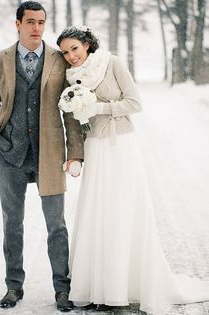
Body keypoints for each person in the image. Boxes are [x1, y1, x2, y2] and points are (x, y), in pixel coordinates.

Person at [56, 26, 209, 315]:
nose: (71, 56)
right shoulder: (70, 78)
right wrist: (75, 152)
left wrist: (98, 108)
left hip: (120, 145)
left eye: (74, 48)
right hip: (95, 147)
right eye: (65, 52)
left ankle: (123, 287)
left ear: (87, 44)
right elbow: (75, 122)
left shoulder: (112, 63)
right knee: (97, 212)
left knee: (123, 211)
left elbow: (135, 103)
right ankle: (96, 286)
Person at [0, 2, 84, 312]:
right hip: (9, 154)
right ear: (18, 24)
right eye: (30, 22)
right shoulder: (0, 60)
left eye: (41, 22)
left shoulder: (59, 59)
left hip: (49, 154)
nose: (36, 27)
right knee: (12, 224)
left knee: (57, 226)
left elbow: (71, 110)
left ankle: (62, 290)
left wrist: (75, 152)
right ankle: (14, 287)